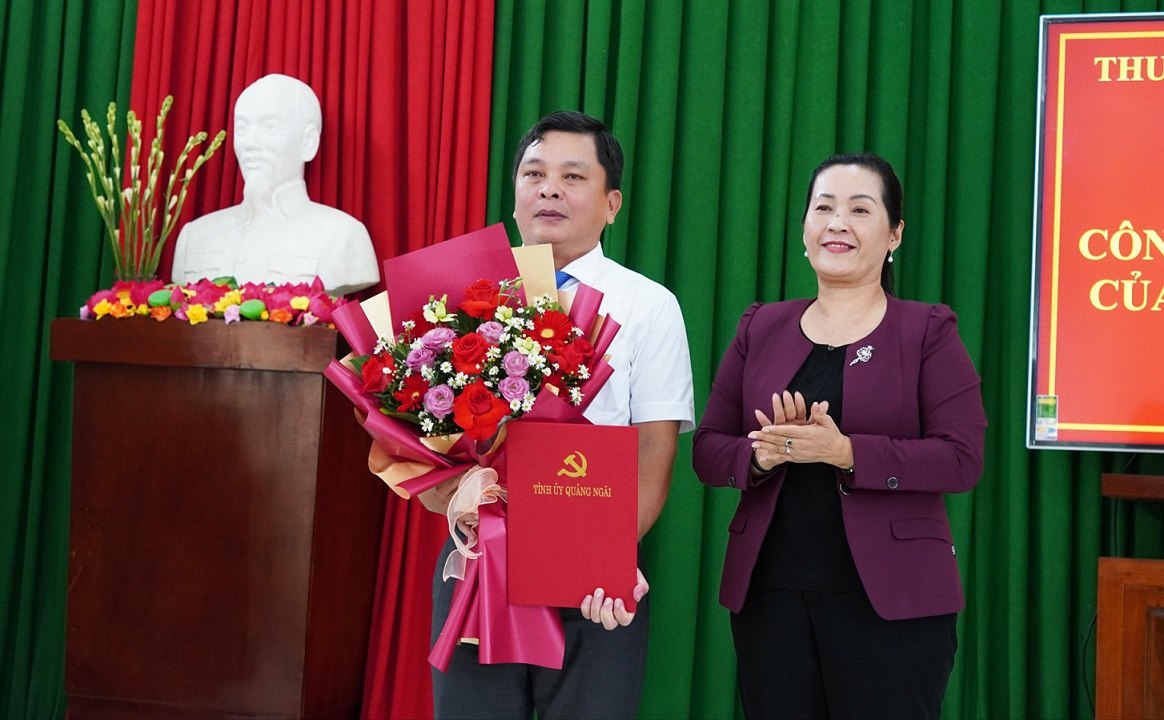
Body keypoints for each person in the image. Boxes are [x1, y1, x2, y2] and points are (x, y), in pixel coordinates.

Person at [419, 111, 695, 718]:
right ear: (515, 192)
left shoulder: (648, 305)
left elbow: (655, 449)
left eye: (573, 176)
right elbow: (422, 439)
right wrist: (453, 503)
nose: (549, 189)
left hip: (593, 582)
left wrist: (602, 558)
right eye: (534, 174)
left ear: (612, 203)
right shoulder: (461, 294)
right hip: (476, 566)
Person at [691, 153, 987, 719]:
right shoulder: (760, 326)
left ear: (894, 233)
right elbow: (708, 448)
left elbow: (961, 458)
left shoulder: (927, 330)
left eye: (860, 209)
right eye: (823, 208)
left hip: (895, 600)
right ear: (805, 228)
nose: (837, 223)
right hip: (770, 596)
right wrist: (761, 455)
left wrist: (846, 452)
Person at [170, 73, 379, 296]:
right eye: (242, 129)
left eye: (270, 128)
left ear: (308, 142)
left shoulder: (343, 236)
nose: (250, 144)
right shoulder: (195, 236)